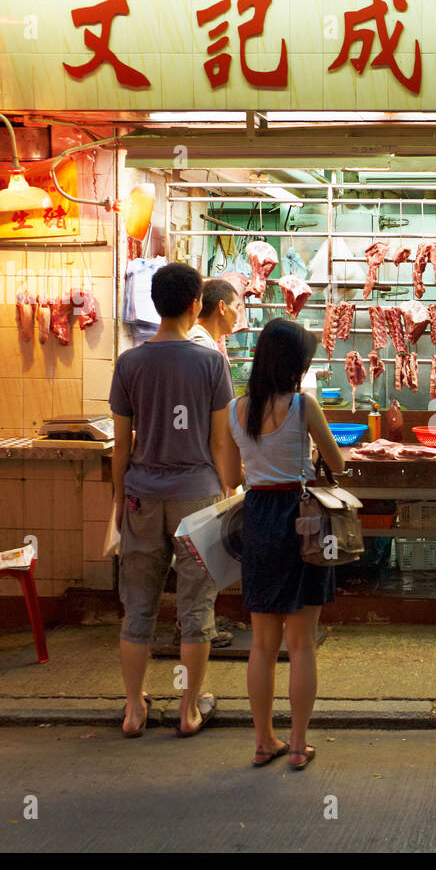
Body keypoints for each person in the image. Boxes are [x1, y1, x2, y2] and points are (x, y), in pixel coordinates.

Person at [110, 262, 238, 738]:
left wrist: (121, 503)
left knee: (137, 607)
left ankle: (133, 709)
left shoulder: (130, 363)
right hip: (197, 497)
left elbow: (121, 447)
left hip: (143, 495)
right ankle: (188, 708)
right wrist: (226, 492)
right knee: (196, 608)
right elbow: (221, 442)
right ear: (194, 305)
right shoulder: (211, 363)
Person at [222, 318, 345, 771]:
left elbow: (232, 476)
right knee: (302, 645)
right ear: (294, 364)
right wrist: (307, 460)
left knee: (261, 643)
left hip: (257, 520)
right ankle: (296, 745)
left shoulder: (237, 409)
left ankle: (261, 742)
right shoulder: (303, 406)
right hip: (303, 520)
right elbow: (338, 462)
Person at [182, 276, 248, 649]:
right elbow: (215, 425)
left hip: (193, 467)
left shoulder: (203, 345)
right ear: (221, 307)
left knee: (197, 558)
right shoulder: (202, 350)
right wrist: (231, 473)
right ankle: (197, 630)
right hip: (200, 469)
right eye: (237, 306)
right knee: (201, 557)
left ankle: (197, 624)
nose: (240, 313)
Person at [190, 277, 242, 354]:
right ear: (222, 307)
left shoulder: (201, 340)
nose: (238, 314)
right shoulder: (204, 346)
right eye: (236, 307)